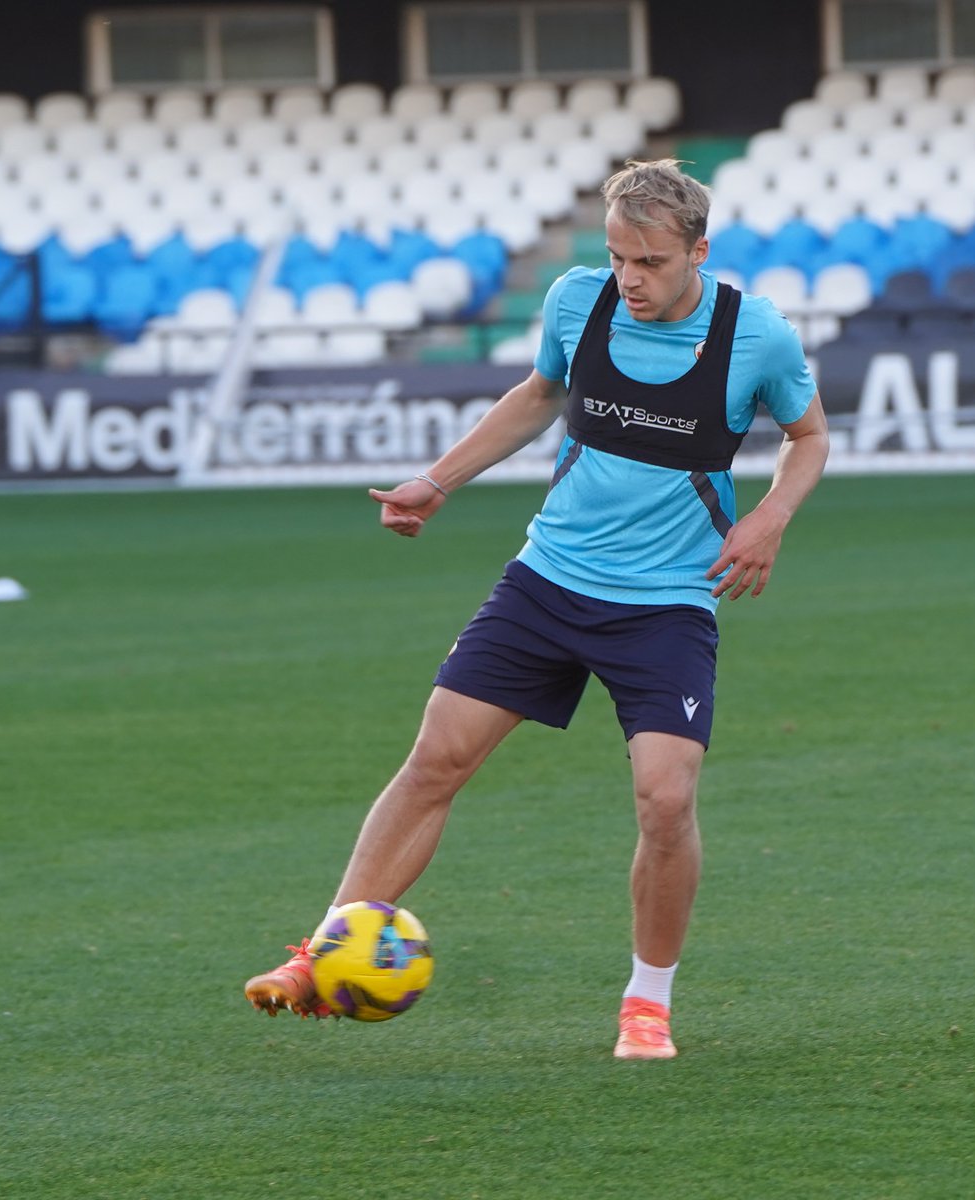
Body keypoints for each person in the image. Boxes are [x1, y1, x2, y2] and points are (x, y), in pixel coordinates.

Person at [245, 159, 829, 1059]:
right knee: (435, 760)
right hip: (548, 579)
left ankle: (647, 1002)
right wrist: (437, 480)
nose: (630, 278)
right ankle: (327, 954)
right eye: (618, 257)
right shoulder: (576, 301)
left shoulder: (757, 336)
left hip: (666, 602)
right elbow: (539, 395)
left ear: (698, 252)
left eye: (652, 262)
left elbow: (809, 435)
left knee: (665, 802)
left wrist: (770, 518)